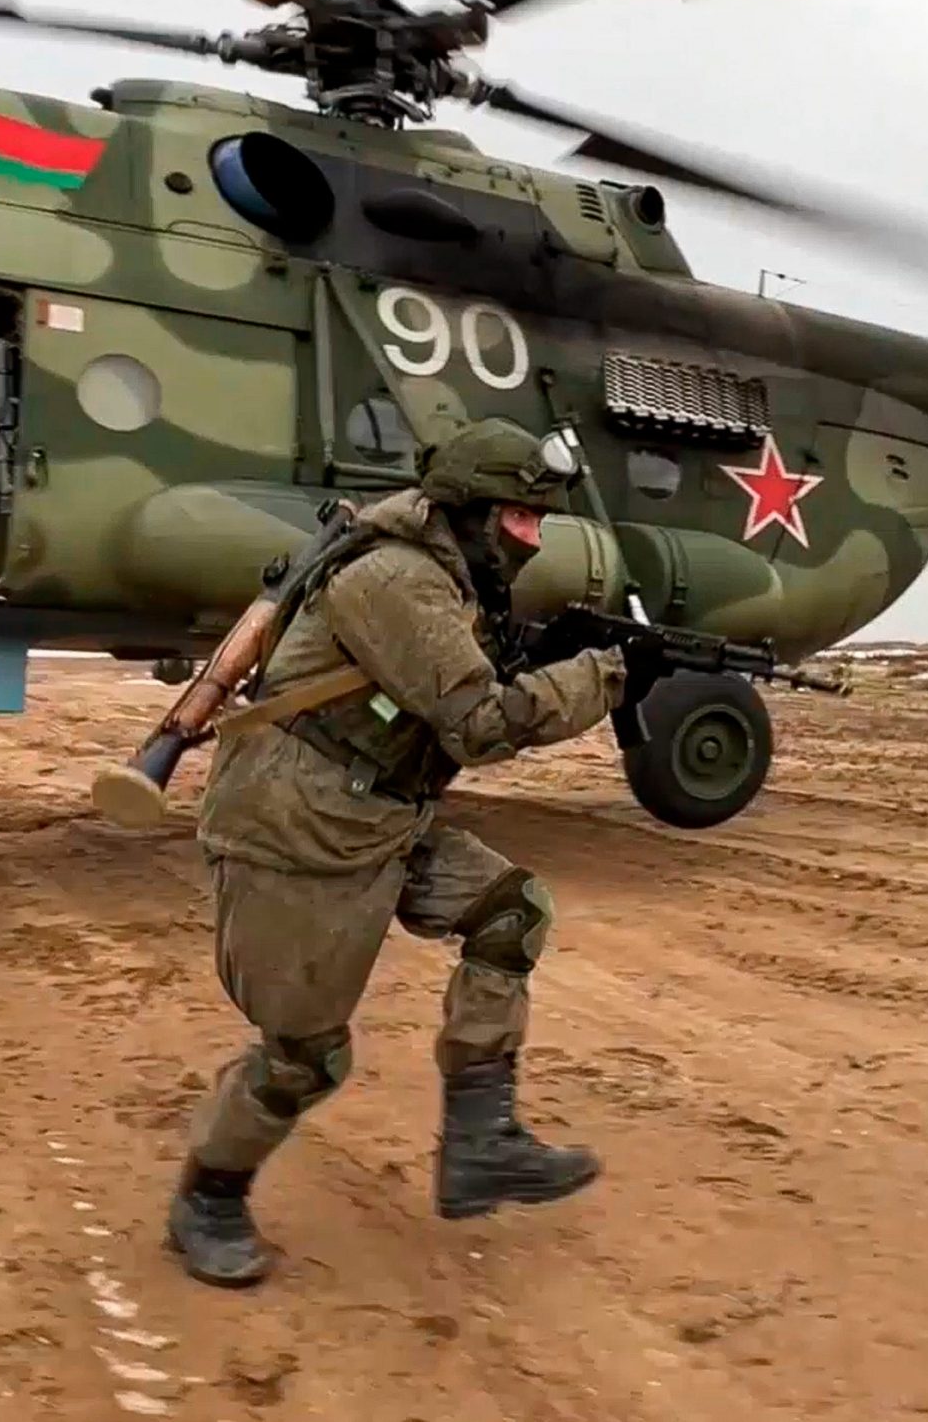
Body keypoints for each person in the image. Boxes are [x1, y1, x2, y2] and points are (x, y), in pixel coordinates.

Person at [166, 418, 641, 1289]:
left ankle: (479, 1141)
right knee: (305, 1056)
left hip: (379, 812)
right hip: (295, 831)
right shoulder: (395, 578)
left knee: (510, 909)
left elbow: (468, 681)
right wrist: (606, 677)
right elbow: (483, 721)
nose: (533, 537)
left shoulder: (448, 577)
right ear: (468, 510)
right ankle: (210, 1194)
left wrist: (562, 652)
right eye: (520, 517)